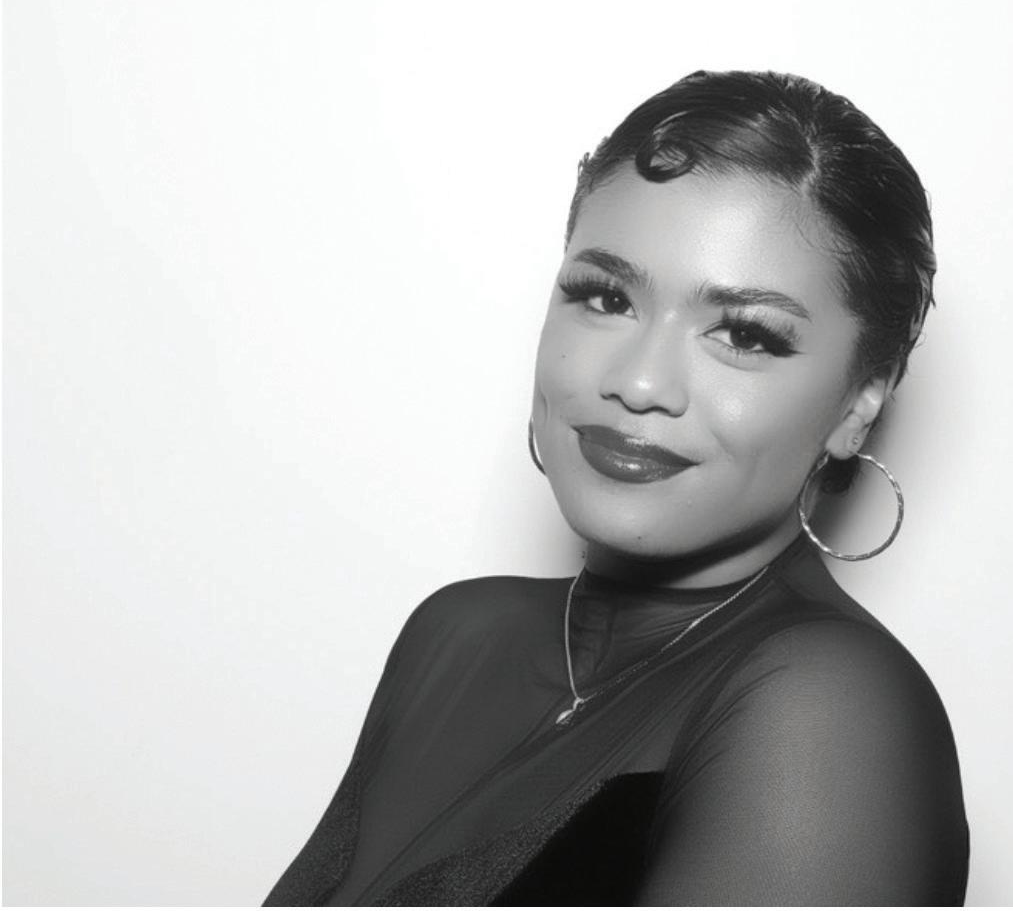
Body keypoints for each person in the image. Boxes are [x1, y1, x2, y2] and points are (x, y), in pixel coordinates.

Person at [264, 70, 969, 906]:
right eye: (604, 297)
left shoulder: (827, 707)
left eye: (744, 335)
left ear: (856, 407)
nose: (638, 383)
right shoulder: (454, 635)